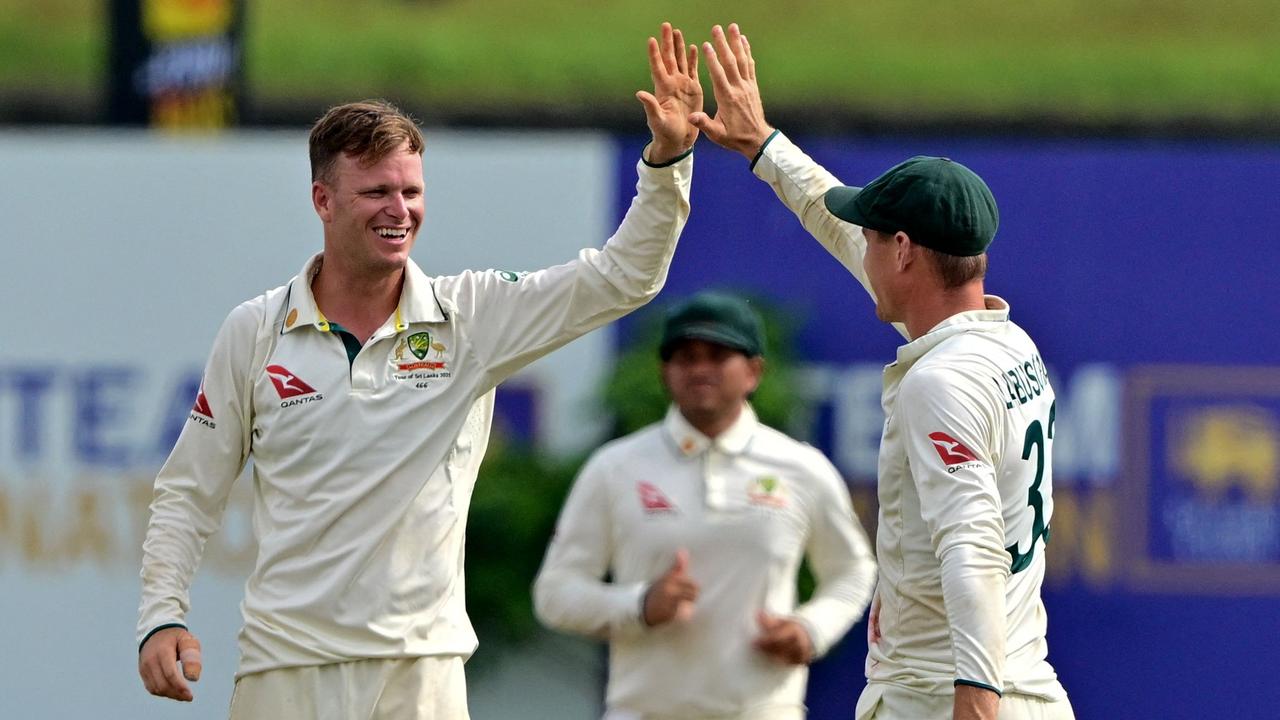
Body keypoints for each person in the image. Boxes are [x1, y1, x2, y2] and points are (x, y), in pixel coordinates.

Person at [135, 22, 703, 719]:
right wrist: (162, 614)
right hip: (286, 667)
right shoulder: (255, 330)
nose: (399, 211)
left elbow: (624, 278)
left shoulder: (471, 316)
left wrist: (667, 161)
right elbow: (189, 491)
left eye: (411, 191)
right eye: (376, 192)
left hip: (421, 669)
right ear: (323, 201)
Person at [685, 24, 1074, 720]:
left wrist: (976, 698)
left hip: (941, 697)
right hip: (1030, 688)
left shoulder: (938, 381)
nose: (861, 253)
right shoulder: (1006, 344)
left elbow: (972, 541)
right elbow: (843, 231)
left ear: (902, 252)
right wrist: (764, 148)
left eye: (872, 240)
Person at [533, 291, 877, 720]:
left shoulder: (800, 466)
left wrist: (811, 628)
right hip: (643, 711)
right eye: (685, 356)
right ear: (664, 370)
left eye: (717, 355)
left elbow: (853, 570)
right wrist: (639, 605)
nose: (700, 369)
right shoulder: (615, 467)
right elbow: (555, 594)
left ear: (754, 371)